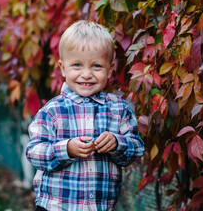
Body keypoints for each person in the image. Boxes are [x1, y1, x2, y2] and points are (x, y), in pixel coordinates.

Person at [26, 20, 145, 211]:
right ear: (63, 68)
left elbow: (137, 149)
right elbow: (34, 153)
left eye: (97, 66)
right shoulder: (52, 111)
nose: (87, 74)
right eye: (77, 65)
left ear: (110, 68)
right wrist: (67, 149)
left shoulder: (119, 109)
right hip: (56, 207)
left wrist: (117, 143)